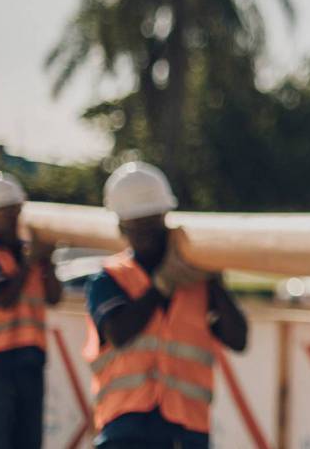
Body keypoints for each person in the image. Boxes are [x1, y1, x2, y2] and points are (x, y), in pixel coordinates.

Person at [84, 161, 247, 449]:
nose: (146, 233)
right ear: (122, 227)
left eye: (151, 223)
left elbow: (238, 338)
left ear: (164, 218)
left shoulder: (197, 281)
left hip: (186, 429)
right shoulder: (107, 280)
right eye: (138, 225)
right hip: (125, 426)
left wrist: (215, 280)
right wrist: (162, 284)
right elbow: (120, 332)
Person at [0, 171, 62, 449]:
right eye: (5, 213)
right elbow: (4, 298)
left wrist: (48, 262)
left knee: (28, 441)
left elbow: (54, 297)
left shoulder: (29, 254)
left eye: (15, 211)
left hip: (31, 363)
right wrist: (30, 262)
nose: (13, 219)